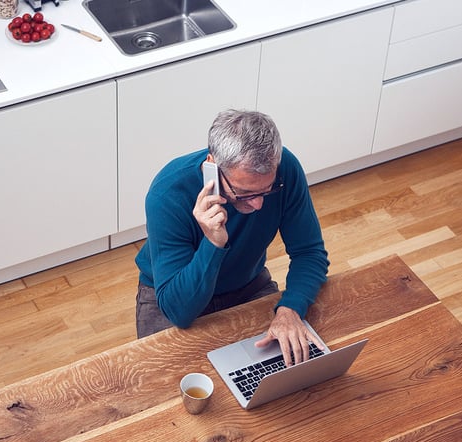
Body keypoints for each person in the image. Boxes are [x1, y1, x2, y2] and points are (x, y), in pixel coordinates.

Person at [134, 109, 329, 366]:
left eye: (267, 191)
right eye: (246, 193)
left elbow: (310, 253)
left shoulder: (286, 169)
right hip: (172, 292)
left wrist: (290, 309)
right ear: (212, 166)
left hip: (247, 284)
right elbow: (180, 312)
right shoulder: (168, 192)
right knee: (167, 387)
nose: (259, 204)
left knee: (286, 371)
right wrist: (213, 242)